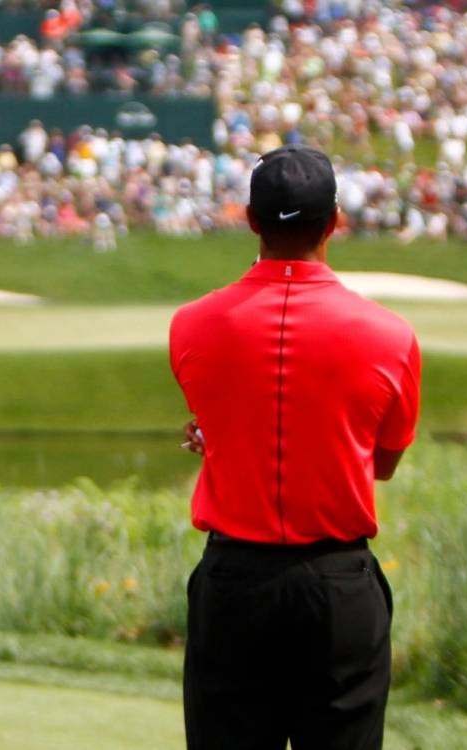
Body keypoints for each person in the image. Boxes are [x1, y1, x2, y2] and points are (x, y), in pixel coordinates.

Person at [168, 145, 421, 750]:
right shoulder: (392, 336)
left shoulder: (190, 325)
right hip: (337, 587)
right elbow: (381, 464)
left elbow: (233, 415)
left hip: (234, 584)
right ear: (335, 221)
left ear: (250, 220)